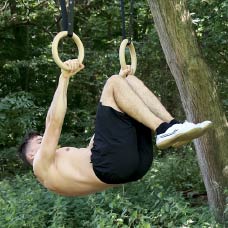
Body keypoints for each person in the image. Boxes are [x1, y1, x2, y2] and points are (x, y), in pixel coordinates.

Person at [18, 59, 212, 196]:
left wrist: (120, 95)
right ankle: (163, 129)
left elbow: (102, 139)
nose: (45, 141)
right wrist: (64, 77)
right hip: (111, 166)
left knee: (128, 82)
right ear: (32, 156)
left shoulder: (62, 170)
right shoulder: (40, 166)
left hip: (131, 168)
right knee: (112, 82)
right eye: (39, 142)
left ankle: (173, 126)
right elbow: (53, 123)